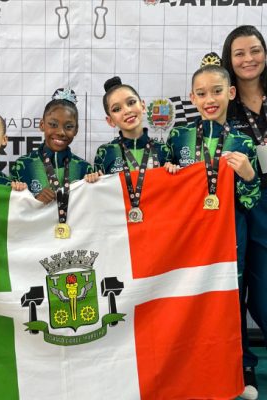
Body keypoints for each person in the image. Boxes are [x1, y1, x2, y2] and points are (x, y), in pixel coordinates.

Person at [164, 59, 261, 400]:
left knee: (230, 301)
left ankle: (242, 369)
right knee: (188, 302)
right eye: (202, 93)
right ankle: (189, 368)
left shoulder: (243, 142)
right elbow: (162, 189)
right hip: (188, 238)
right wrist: (168, 170)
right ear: (192, 97)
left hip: (229, 235)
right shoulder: (178, 136)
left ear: (231, 93)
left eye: (217, 91)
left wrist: (249, 176)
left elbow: (250, 200)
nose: (210, 99)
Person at [222, 25, 267, 400]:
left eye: (255, 50)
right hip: (234, 208)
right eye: (239, 53)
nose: (248, 59)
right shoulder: (224, 102)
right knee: (234, 291)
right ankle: (243, 365)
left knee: (264, 291)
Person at [10, 88, 99, 204]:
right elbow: (12, 207)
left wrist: (96, 185)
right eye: (53, 124)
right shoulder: (22, 165)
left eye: (69, 127)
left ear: (76, 130)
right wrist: (34, 201)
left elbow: (92, 206)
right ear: (42, 125)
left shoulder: (84, 168)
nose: (61, 132)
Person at [94, 76, 168, 175]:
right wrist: (92, 179)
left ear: (143, 106)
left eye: (131, 102)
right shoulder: (105, 152)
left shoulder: (163, 149)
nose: (127, 111)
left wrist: (174, 170)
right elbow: (99, 184)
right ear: (110, 121)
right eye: (117, 109)